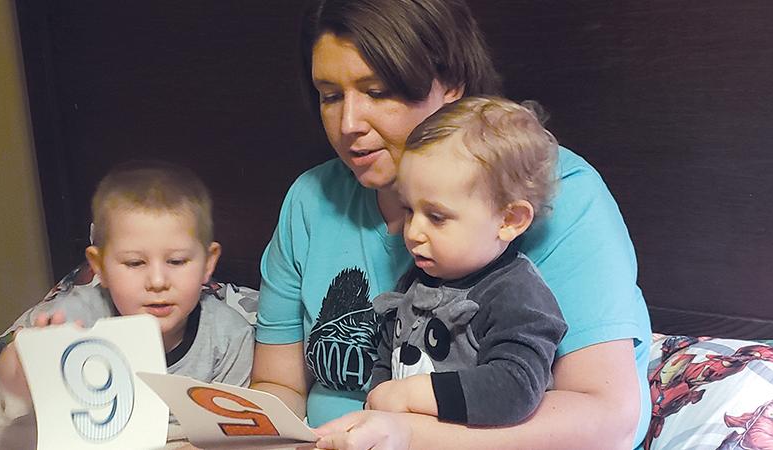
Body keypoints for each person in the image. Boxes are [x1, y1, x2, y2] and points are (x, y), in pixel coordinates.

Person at [251, 0, 652, 448]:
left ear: (452, 86)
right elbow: (279, 386)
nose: (348, 123)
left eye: (378, 91)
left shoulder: (555, 195)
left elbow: (607, 419)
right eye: (330, 95)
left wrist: (405, 436)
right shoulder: (311, 199)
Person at [366, 97, 567, 427]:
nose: (413, 232)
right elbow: (389, 353)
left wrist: (409, 395)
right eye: (408, 210)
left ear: (510, 220)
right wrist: (376, 404)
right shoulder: (419, 276)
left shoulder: (515, 294)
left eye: (437, 217)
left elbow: (517, 385)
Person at [0, 161, 254, 405]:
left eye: (176, 261)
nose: (157, 282)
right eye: (134, 263)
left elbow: (231, 432)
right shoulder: (76, 319)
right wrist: (25, 360)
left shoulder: (228, 337)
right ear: (100, 266)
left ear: (208, 264)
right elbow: (12, 388)